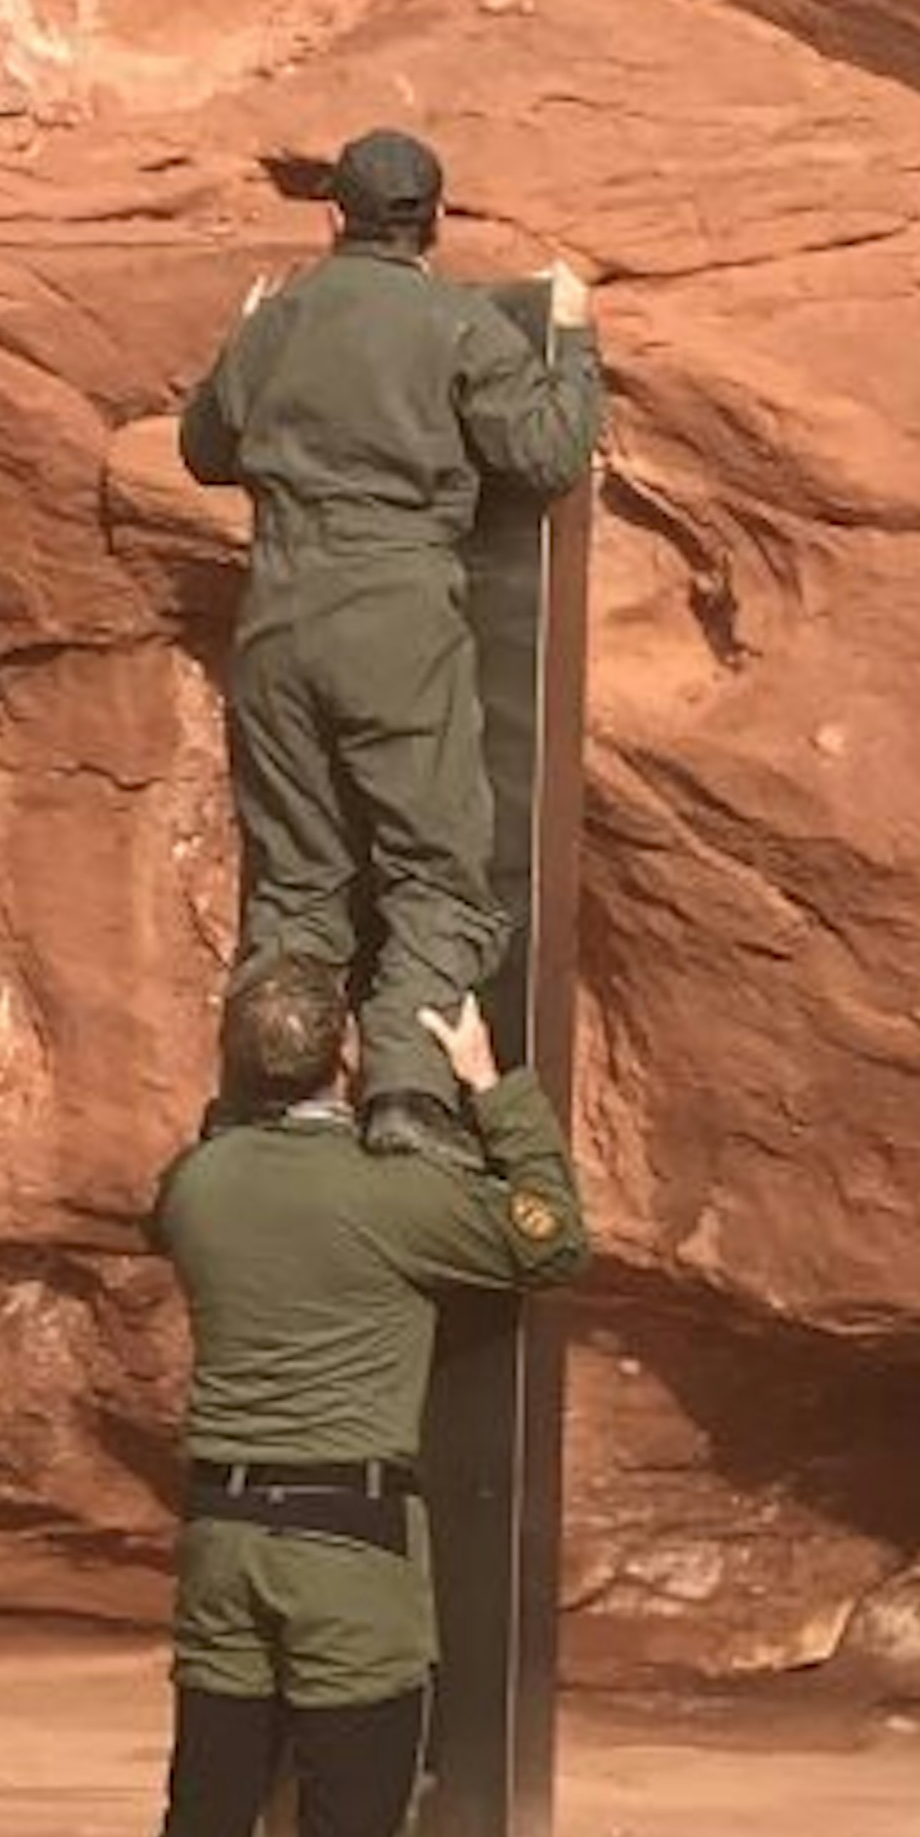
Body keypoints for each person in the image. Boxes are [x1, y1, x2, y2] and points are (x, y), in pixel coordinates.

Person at [101, 955, 591, 1837]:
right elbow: (552, 1239)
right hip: (349, 1551)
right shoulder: (394, 1194)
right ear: (348, 1064)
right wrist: (494, 1092)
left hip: (223, 1539)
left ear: (232, 1059)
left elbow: (180, 1183)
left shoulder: (199, 1189)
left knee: (200, 1825)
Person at [178, 126, 605, 1169]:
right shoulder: (455, 323)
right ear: (436, 222)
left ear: (333, 218)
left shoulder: (275, 323)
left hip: (278, 617)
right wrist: (578, 338)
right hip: (398, 618)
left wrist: (251, 337)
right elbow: (546, 452)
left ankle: (261, 1100)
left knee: (296, 878)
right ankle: (407, 1095)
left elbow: (203, 450)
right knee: (435, 874)